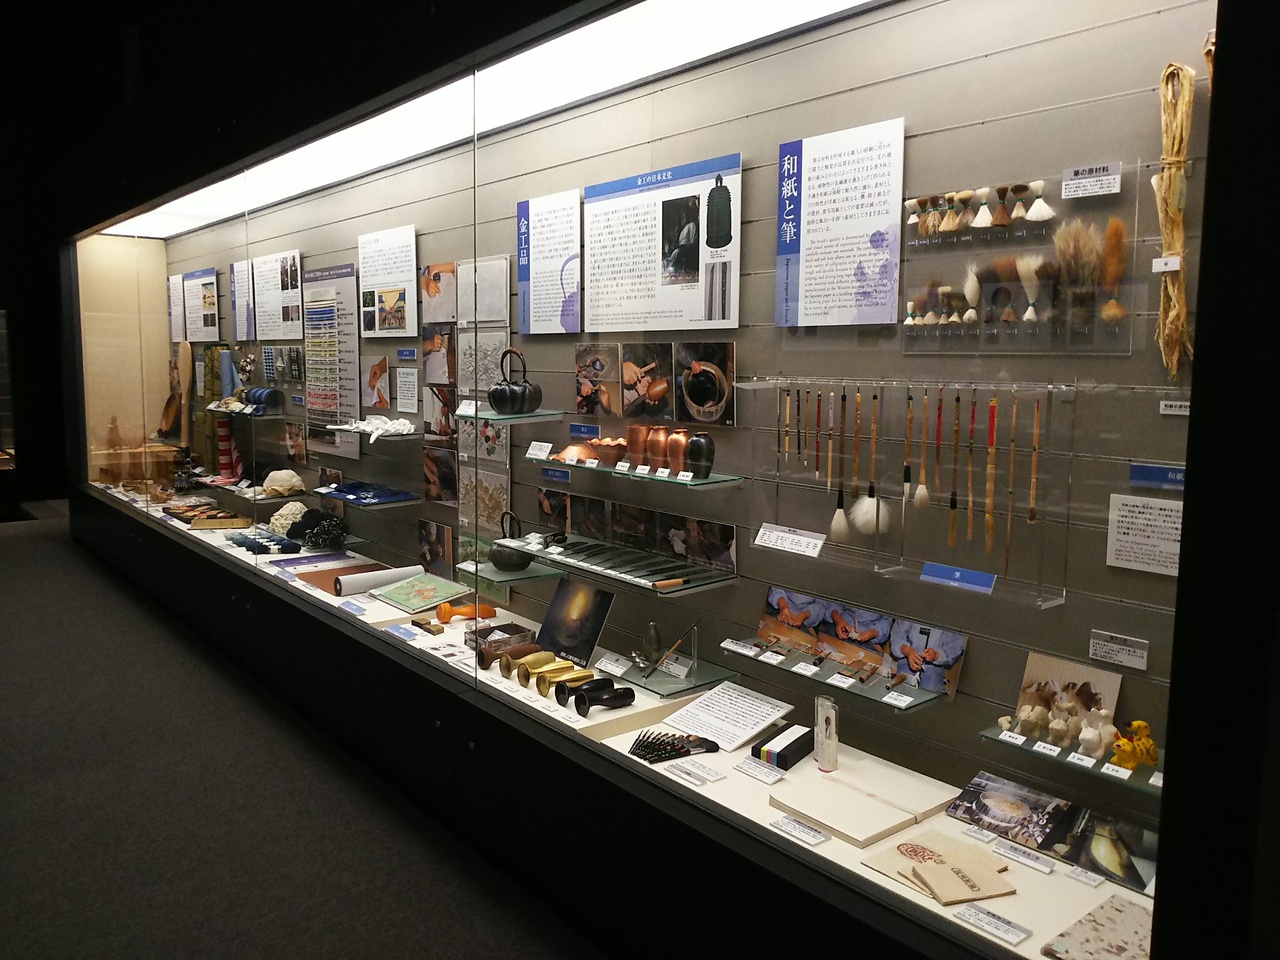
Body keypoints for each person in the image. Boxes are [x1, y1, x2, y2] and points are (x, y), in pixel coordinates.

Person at [887, 620, 966, 693]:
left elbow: (955, 646)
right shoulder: (911, 611)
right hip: (907, 660)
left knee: (930, 695)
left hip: (934, 667)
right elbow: (897, 635)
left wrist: (937, 655)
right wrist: (907, 651)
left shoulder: (951, 617)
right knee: (901, 692)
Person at [820, 604, 893, 654]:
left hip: (869, 636)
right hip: (841, 625)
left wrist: (874, 632)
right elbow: (832, 603)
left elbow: (886, 621)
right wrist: (838, 619)